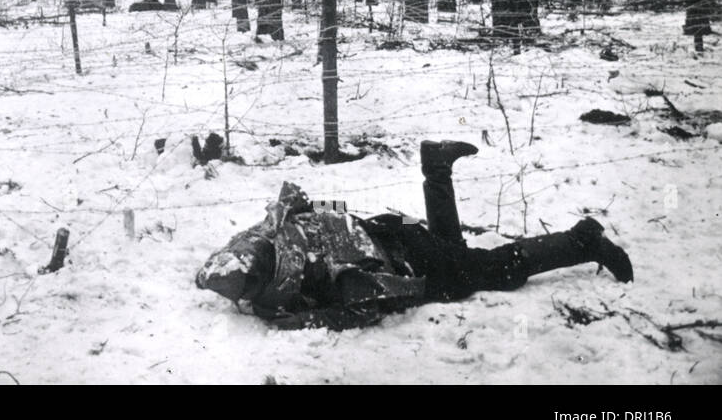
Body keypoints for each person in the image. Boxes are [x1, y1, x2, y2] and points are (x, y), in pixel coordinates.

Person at [196, 140, 633, 329]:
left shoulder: (332, 276)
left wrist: (298, 322)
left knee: (493, 269)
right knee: (455, 252)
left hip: (407, 258)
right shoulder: (280, 225)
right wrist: (361, 223)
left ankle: (582, 240)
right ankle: (437, 168)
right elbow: (320, 204)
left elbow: (362, 309)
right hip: (391, 225)